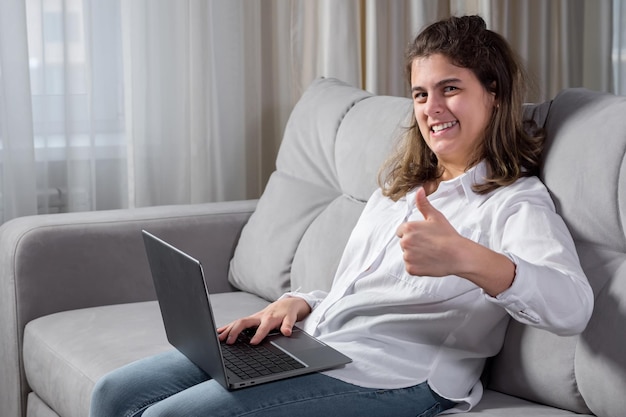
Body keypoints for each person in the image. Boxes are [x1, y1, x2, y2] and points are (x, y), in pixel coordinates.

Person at [89, 15, 593, 417]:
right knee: (113, 394)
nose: (431, 107)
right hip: (322, 344)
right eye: (420, 94)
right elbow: (361, 288)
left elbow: (572, 307)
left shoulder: (514, 202)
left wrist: (468, 258)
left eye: (450, 88)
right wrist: (299, 301)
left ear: (494, 93)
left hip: (397, 375)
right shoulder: (401, 189)